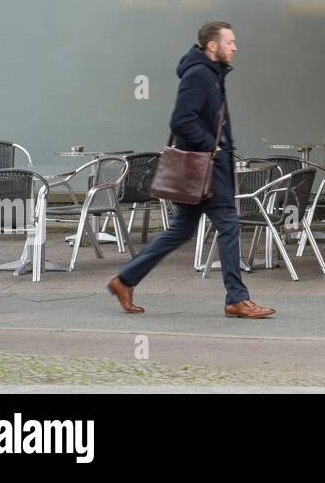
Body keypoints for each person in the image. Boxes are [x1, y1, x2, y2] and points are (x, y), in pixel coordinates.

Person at [107, 21, 275, 319]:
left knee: (181, 229)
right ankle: (237, 298)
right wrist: (213, 146)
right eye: (230, 42)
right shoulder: (199, 75)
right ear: (213, 45)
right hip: (205, 168)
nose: (235, 47)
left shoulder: (211, 74)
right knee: (228, 225)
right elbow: (181, 120)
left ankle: (125, 280)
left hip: (205, 168)